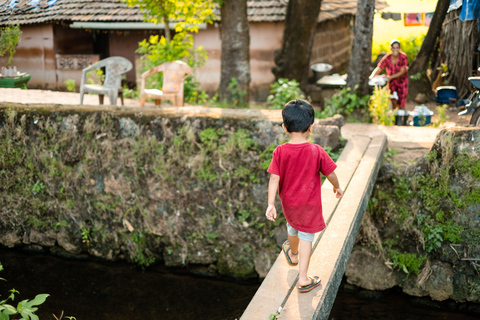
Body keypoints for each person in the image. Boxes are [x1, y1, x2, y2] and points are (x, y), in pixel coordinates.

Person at [265, 99, 343, 293]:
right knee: (307, 236)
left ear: (284, 127)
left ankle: (292, 253)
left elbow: (274, 179)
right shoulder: (316, 151)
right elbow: (330, 174)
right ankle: (303, 279)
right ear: (311, 127)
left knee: (292, 227)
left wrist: (270, 204)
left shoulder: (280, 152)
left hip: (289, 205)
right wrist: (337, 187)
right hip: (309, 206)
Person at [370, 39, 409, 109]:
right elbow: (379, 67)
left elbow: (402, 71)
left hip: (402, 82)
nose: (395, 50)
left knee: (401, 103)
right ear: (391, 48)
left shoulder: (403, 57)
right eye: (393, 48)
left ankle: (402, 118)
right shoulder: (388, 58)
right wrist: (372, 76)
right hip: (392, 83)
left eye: (397, 48)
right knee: (393, 102)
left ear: (400, 48)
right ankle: (395, 118)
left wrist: (390, 77)